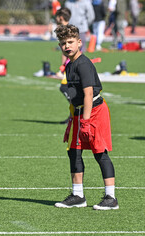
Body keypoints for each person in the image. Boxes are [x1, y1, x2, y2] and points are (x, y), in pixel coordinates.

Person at [54, 24, 119, 210]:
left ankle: (111, 198)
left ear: (79, 43)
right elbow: (75, 96)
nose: (67, 46)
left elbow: (89, 94)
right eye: (63, 43)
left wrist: (87, 121)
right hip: (79, 112)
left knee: (100, 152)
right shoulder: (70, 64)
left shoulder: (83, 64)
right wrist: (73, 118)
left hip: (94, 111)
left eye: (71, 42)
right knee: (73, 151)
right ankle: (78, 195)